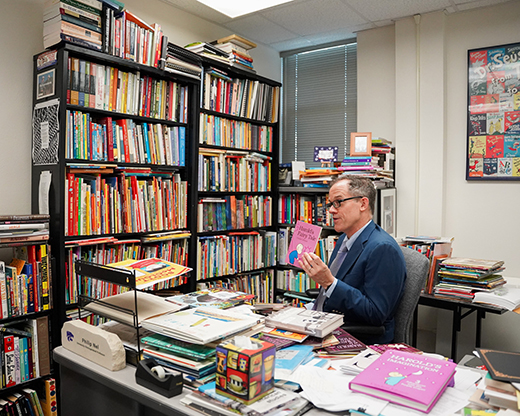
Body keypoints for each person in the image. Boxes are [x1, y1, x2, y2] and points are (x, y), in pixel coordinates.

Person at [297, 175, 406, 344]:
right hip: (324, 323)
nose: (331, 210)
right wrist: (306, 310)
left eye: (338, 202)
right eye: (330, 204)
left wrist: (329, 283)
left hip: (357, 339)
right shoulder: (344, 239)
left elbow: (375, 313)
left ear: (363, 204)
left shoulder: (383, 248)